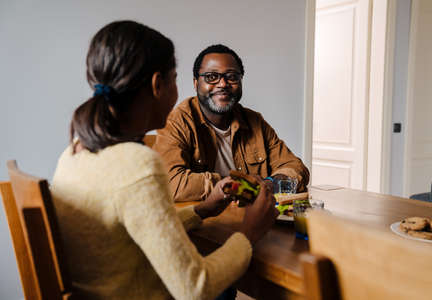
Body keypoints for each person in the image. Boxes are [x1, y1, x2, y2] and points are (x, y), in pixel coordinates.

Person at [50, 21, 278, 300]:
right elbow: (195, 288)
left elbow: (142, 224)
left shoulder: (75, 151)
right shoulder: (138, 164)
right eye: (174, 79)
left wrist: (202, 210)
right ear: (158, 84)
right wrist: (248, 234)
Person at [153, 44, 310, 203]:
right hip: (205, 222)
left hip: (251, 217)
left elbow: (296, 168)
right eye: (211, 76)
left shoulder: (255, 122)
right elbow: (170, 183)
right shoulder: (176, 122)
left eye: (232, 76)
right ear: (195, 83)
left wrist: (270, 184)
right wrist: (238, 186)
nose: (223, 84)